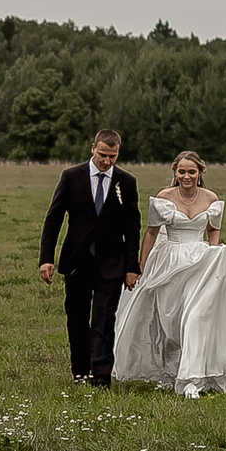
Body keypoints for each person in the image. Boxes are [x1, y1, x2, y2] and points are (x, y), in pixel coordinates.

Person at [111, 150, 226, 397]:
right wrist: (140, 265)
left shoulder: (210, 198)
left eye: (191, 172)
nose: (186, 176)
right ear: (175, 172)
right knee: (170, 322)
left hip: (200, 264)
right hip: (170, 262)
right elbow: (151, 232)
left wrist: (214, 252)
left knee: (196, 317)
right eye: (182, 171)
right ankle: (170, 371)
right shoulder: (164, 197)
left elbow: (213, 229)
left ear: (200, 173)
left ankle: (192, 379)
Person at [37, 129, 141, 386]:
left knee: (104, 319)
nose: (107, 161)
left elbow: (132, 228)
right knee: (77, 318)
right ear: (93, 148)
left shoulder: (126, 182)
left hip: (112, 263)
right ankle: (80, 372)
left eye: (112, 156)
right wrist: (46, 258)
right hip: (77, 261)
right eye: (103, 155)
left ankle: (101, 376)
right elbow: (54, 219)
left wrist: (132, 267)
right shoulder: (71, 177)